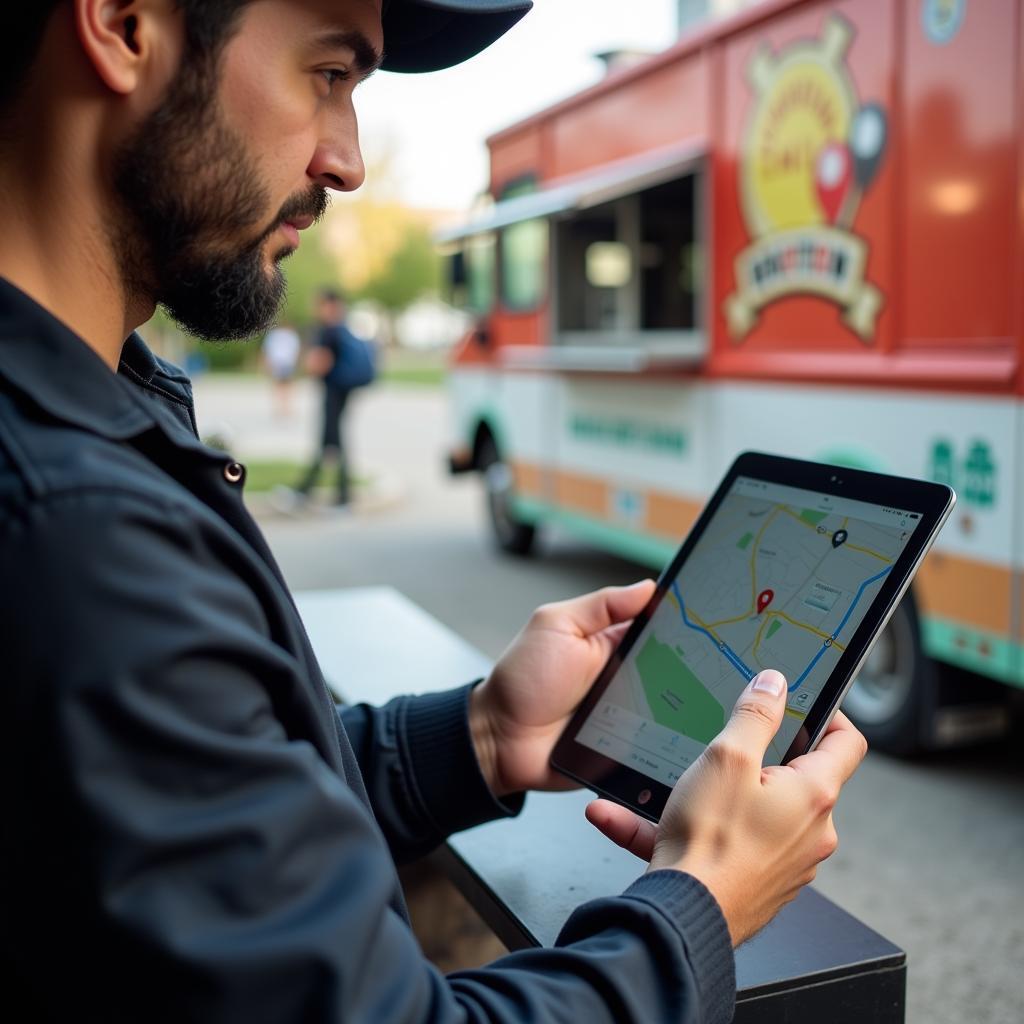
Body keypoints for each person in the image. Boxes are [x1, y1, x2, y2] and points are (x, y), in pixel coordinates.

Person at [0, 3, 866, 1022]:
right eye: (328, 73)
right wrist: (703, 906)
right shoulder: (79, 527)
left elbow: (211, 821)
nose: (348, 159)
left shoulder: (88, 427)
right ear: (125, 22)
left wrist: (485, 734)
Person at [293, 288, 364, 507]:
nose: (317, 310)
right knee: (330, 442)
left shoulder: (329, 331)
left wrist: (307, 367)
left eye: (319, 305)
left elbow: (319, 363)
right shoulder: (344, 329)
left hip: (333, 392)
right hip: (343, 391)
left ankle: (339, 495)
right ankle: (308, 490)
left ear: (330, 305)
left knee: (333, 441)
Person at [261, 319, 302, 417]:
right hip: (280, 363)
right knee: (281, 386)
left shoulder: (279, 335)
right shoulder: (278, 335)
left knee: (284, 386)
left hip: (284, 363)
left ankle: (284, 408)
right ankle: (282, 408)